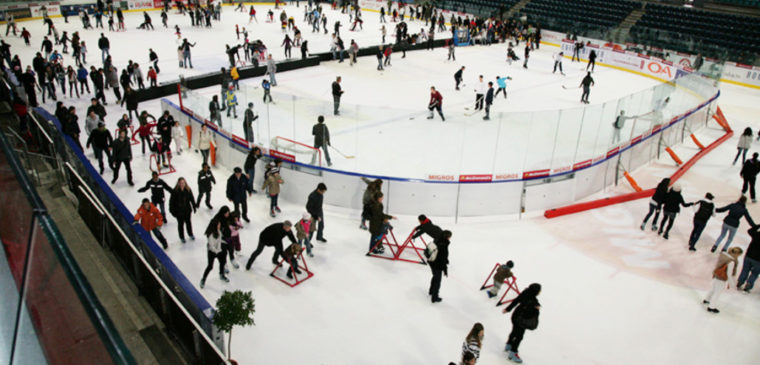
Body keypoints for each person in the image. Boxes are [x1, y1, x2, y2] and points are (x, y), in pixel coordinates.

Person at [503, 283, 541, 364]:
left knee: (514, 331)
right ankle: (513, 353)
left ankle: (508, 344)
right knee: (519, 336)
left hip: (515, 316)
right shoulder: (533, 301)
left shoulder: (525, 292)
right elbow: (530, 314)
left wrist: (508, 309)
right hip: (521, 320)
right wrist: (536, 309)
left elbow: (516, 301)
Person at [703, 247, 743, 313]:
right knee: (717, 293)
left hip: (716, 274)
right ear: (737, 254)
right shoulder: (731, 261)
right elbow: (729, 274)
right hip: (722, 278)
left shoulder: (723, 254)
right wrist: (732, 284)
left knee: (713, 289)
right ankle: (711, 307)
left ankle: (707, 299)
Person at [199, 219, 230, 288]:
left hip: (218, 250)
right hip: (211, 252)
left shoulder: (219, 232)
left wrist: (219, 249)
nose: (220, 225)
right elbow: (211, 246)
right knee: (210, 266)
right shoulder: (211, 235)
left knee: (222, 262)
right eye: (218, 224)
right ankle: (203, 279)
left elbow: (219, 241)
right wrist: (217, 251)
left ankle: (221, 274)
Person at [169, 177, 197, 243]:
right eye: (181, 183)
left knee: (188, 223)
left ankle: (190, 234)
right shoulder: (175, 191)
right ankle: (182, 237)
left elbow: (191, 199)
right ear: (178, 183)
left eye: (183, 183)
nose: (182, 184)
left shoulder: (188, 190)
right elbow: (171, 202)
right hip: (179, 212)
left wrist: (194, 206)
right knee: (180, 225)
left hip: (187, 211)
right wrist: (172, 211)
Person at [428, 230, 452, 303]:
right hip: (437, 264)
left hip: (431, 262)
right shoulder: (444, 245)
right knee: (437, 281)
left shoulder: (436, 239)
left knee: (435, 276)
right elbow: (442, 259)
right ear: (448, 237)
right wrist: (445, 270)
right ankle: (435, 297)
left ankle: (431, 291)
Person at [737, 225, 760, 293]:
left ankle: (740, 282)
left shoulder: (757, 234)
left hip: (749, 256)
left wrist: (758, 226)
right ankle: (749, 284)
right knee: (755, 273)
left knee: (745, 269)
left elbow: (750, 231)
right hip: (758, 260)